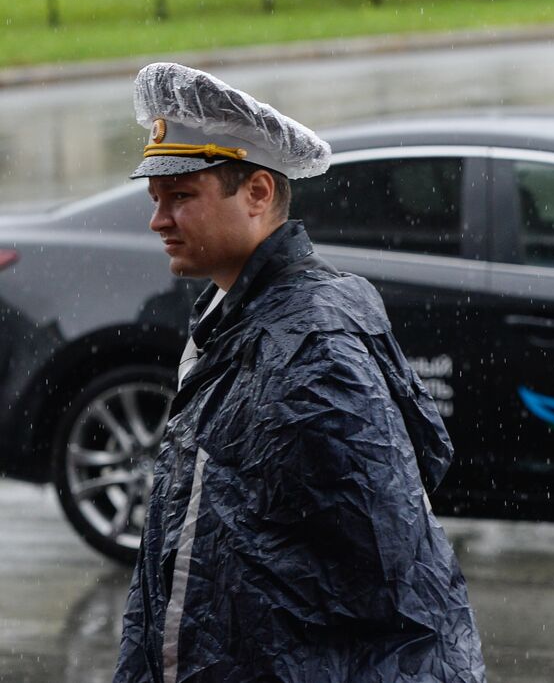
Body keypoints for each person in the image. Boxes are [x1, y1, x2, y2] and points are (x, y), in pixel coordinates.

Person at [111, 62, 487, 682]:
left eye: (181, 198)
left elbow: (397, 588)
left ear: (258, 194)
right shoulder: (231, 319)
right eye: (157, 200)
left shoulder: (315, 347)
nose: (159, 221)